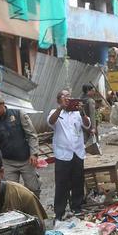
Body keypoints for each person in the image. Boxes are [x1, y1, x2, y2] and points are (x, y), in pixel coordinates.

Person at [48, 89, 93, 221]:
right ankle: (59, 212)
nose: (68, 98)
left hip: (77, 152)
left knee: (78, 181)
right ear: (59, 100)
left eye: (69, 96)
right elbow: (51, 122)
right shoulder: (55, 113)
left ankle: (77, 207)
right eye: (64, 96)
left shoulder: (77, 113)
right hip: (62, 154)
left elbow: (87, 125)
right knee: (62, 184)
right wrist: (60, 108)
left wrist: (82, 111)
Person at [0, 93, 41, 198]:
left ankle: (35, 210)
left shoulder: (19, 114)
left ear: (3, 104)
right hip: (7, 162)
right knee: (10, 192)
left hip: (26, 160)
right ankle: (17, 212)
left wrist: (34, 154)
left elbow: (32, 135)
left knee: (33, 189)